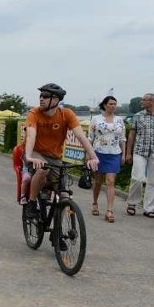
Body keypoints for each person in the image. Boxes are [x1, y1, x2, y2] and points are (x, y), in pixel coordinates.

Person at [24, 83, 99, 219]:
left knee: (64, 194)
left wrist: (93, 157)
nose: (41, 98)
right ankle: (32, 202)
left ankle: (58, 233)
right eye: (41, 95)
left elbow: (81, 136)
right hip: (35, 153)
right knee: (43, 169)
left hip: (55, 156)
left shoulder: (66, 114)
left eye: (46, 96)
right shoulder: (34, 113)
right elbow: (31, 136)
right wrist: (29, 156)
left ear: (57, 100)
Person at [125, 93, 154, 219]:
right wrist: (128, 153)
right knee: (137, 178)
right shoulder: (137, 116)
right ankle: (132, 203)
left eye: (144, 100)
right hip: (140, 151)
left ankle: (149, 208)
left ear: (151, 101)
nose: (142, 102)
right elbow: (131, 136)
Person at [88, 95, 125, 222]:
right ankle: (94, 203)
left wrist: (124, 154)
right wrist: (88, 154)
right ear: (104, 105)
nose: (113, 106)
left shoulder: (120, 120)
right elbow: (90, 138)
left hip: (114, 153)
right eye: (110, 104)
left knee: (110, 181)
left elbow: (122, 139)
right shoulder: (96, 120)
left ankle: (109, 211)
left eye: (115, 104)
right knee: (98, 181)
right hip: (98, 153)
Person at [12, 126, 31, 204]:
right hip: (28, 168)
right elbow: (26, 161)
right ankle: (23, 195)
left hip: (39, 168)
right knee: (26, 178)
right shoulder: (22, 147)